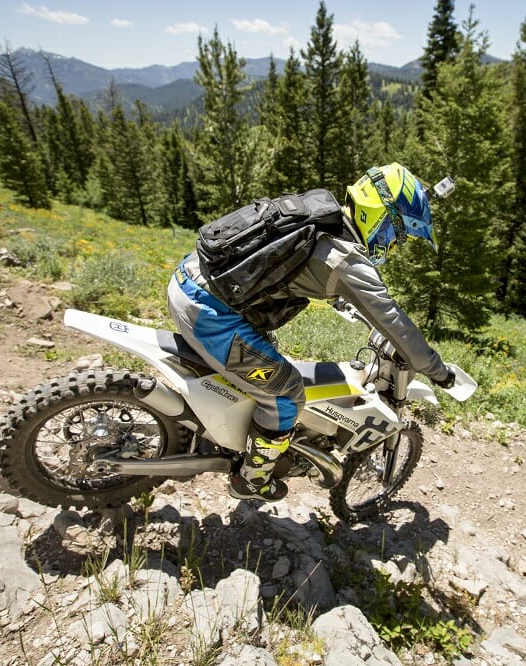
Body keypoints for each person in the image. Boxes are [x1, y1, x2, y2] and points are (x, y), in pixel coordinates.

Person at [167, 163, 455, 502]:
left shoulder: (324, 219)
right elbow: (396, 325)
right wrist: (440, 372)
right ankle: (251, 481)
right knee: (287, 393)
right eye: (397, 233)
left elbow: (291, 269)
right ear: (382, 217)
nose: (394, 243)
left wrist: (347, 306)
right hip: (209, 314)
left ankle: (218, 429)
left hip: (188, 279)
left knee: (266, 359)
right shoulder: (348, 260)